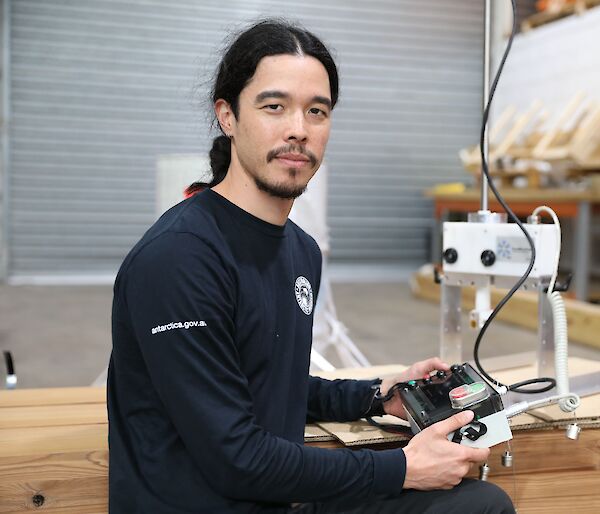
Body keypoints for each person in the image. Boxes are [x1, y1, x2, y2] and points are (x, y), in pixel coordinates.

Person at [107, 19, 515, 514]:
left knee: (481, 505)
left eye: (316, 111)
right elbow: (235, 458)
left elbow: (265, 380)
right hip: (209, 501)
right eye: (274, 106)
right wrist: (402, 468)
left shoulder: (300, 250)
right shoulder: (180, 259)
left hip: (276, 500)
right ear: (227, 116)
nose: (298, 129)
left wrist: (375, 396)